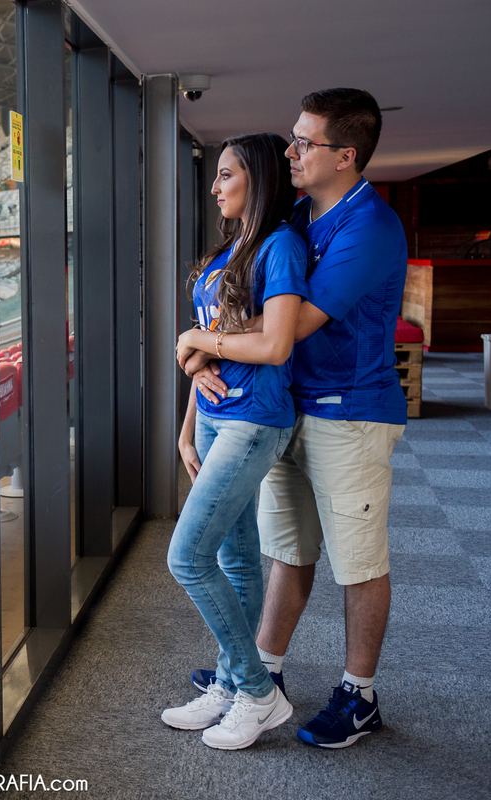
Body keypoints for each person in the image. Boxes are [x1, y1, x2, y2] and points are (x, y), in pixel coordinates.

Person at [189, 89, 408, 749]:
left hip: (351, 413)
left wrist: (205, 341)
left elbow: (292, 323)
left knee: (358, 563)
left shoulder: (369, 227)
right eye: (291, 138)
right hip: (289, 407)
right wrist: (204, 351)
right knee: (287, 551)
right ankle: (267, 675)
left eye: (304, 142)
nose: (290, 151)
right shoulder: (299, 215)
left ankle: (358, 694)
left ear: (346, 155)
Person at [162, 132, 308, 750]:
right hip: (220, 418)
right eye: (216, 176)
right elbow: (206, 341)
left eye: (227, 175)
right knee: (237, 560)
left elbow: (274, 344)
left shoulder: (280, 247)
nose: (216, 186)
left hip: (257, 419)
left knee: (187, 556)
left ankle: (255, 689)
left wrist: (197, 343)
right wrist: (189, 422)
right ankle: (226, 685)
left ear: (260, 179)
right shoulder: (229, 252)